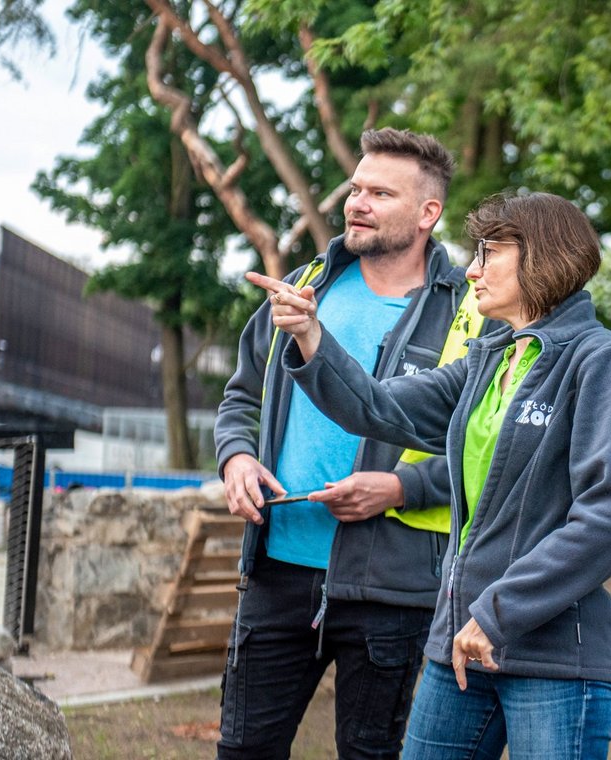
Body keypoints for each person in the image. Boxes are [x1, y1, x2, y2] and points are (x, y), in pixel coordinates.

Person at [253, 191, 611, 760]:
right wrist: (310, 337)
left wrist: (498, 614)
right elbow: (376, 406)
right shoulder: (487, 361)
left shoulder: (602, 362)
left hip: (550, 661)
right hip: (459, 648)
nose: (471, 269)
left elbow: (609, 518)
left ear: (543, 257)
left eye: (489, 252)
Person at [213, 127, 490, 759]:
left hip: (390, 589)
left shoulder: (468, 314)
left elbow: (486, 446)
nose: (356, 203)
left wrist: (400, 487)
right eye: (355, 188)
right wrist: (237, 456)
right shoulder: (303, 287)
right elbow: (238, 400)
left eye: (379, 193)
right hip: (277, 571)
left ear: (428, 213)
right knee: (242, 752)